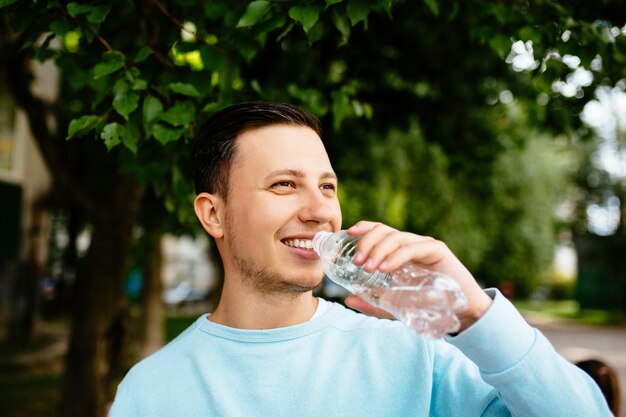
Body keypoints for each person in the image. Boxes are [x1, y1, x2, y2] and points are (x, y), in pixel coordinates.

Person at [109, 101, 612, 416]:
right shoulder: (152, 390)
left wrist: (474, 315)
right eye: (284, 184)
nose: (318, 211)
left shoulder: (417, 357)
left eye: (327, 187)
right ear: (212, 214)